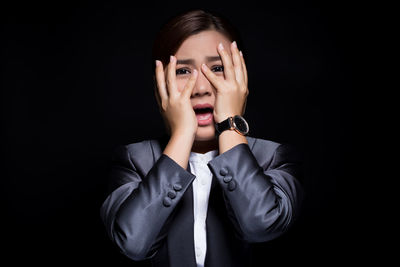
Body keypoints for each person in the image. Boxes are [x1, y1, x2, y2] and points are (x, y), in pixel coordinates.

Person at [100, 9, 303, 267]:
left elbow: (261, 225)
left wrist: (230, 124)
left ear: (241, 78)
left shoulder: (274, 157)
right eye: (183, 71)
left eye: (217, 68)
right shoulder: (132, 160)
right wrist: (183, 133)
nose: (202, 88)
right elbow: (133, 243)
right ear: (159, 86)